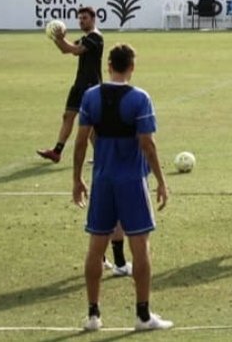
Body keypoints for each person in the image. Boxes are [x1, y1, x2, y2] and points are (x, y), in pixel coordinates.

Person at [72, 43, 172, 332]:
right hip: (131, 181)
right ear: (132, 66)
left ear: (108, 66)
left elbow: (81, 141)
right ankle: (143, 316)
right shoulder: (139, 98)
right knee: (140, 247)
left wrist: (77, 178)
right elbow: (147, 144)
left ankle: (93, 315)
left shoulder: (91, 96)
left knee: (95, 248)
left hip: (102, 179)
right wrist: (162, 181)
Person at [39, 7, 104, 163]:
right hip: (80, 84)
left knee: (91, 125)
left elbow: (74, 49)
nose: (81, 21)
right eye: (80, 18)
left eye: (85, 18)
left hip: (91, 85)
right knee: (68, 116)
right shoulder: (86, 37)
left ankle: (103, 156)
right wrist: (56, 38)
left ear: (93, 19)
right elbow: (66, 50)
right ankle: (57, 152)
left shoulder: (95, 37)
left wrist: (60, 38)